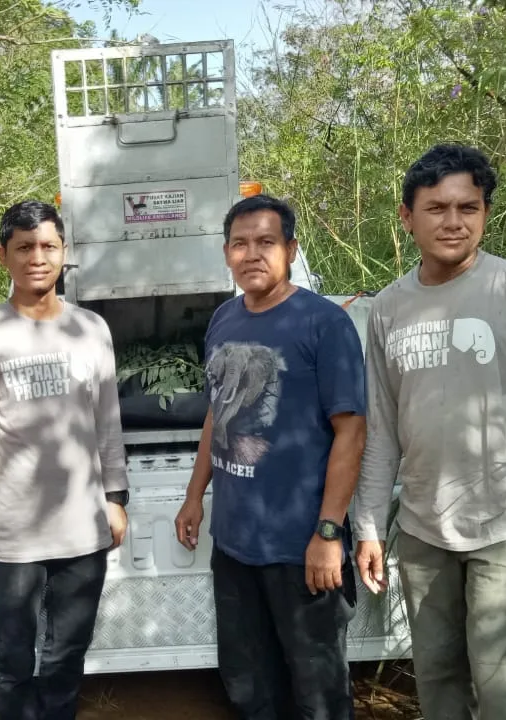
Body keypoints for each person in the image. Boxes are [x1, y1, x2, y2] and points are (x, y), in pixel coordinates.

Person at [352, 144, 506, 720]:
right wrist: (369, 525)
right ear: (407, 217)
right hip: (423, 531)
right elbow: (381, 427)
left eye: (469, 207)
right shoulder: (387, 308)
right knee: (438, 685)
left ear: (485, 212)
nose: (454, 222)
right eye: (436, 208)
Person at [173, 194, 367, 720]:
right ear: (226, 253)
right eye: (240, 243)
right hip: (234, 544)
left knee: (317, 691)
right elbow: (218, 413)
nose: (252, 254)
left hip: (300, 547)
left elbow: (351, 432)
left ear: (291, 249)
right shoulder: (223, 320)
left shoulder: (324, 324)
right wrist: (194, 496)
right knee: (248, 684)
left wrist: (328, 533)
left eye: (266, 242)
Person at [0, 200, 129, 720]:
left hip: (81, 529)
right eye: (24, 247)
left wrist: (115, 498)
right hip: (12, 534)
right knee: (12, 661)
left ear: (63, 252)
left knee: (66, 656)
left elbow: (107, 422)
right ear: (2, 255)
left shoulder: (91, 329)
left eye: (48, 246)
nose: (37, 257)